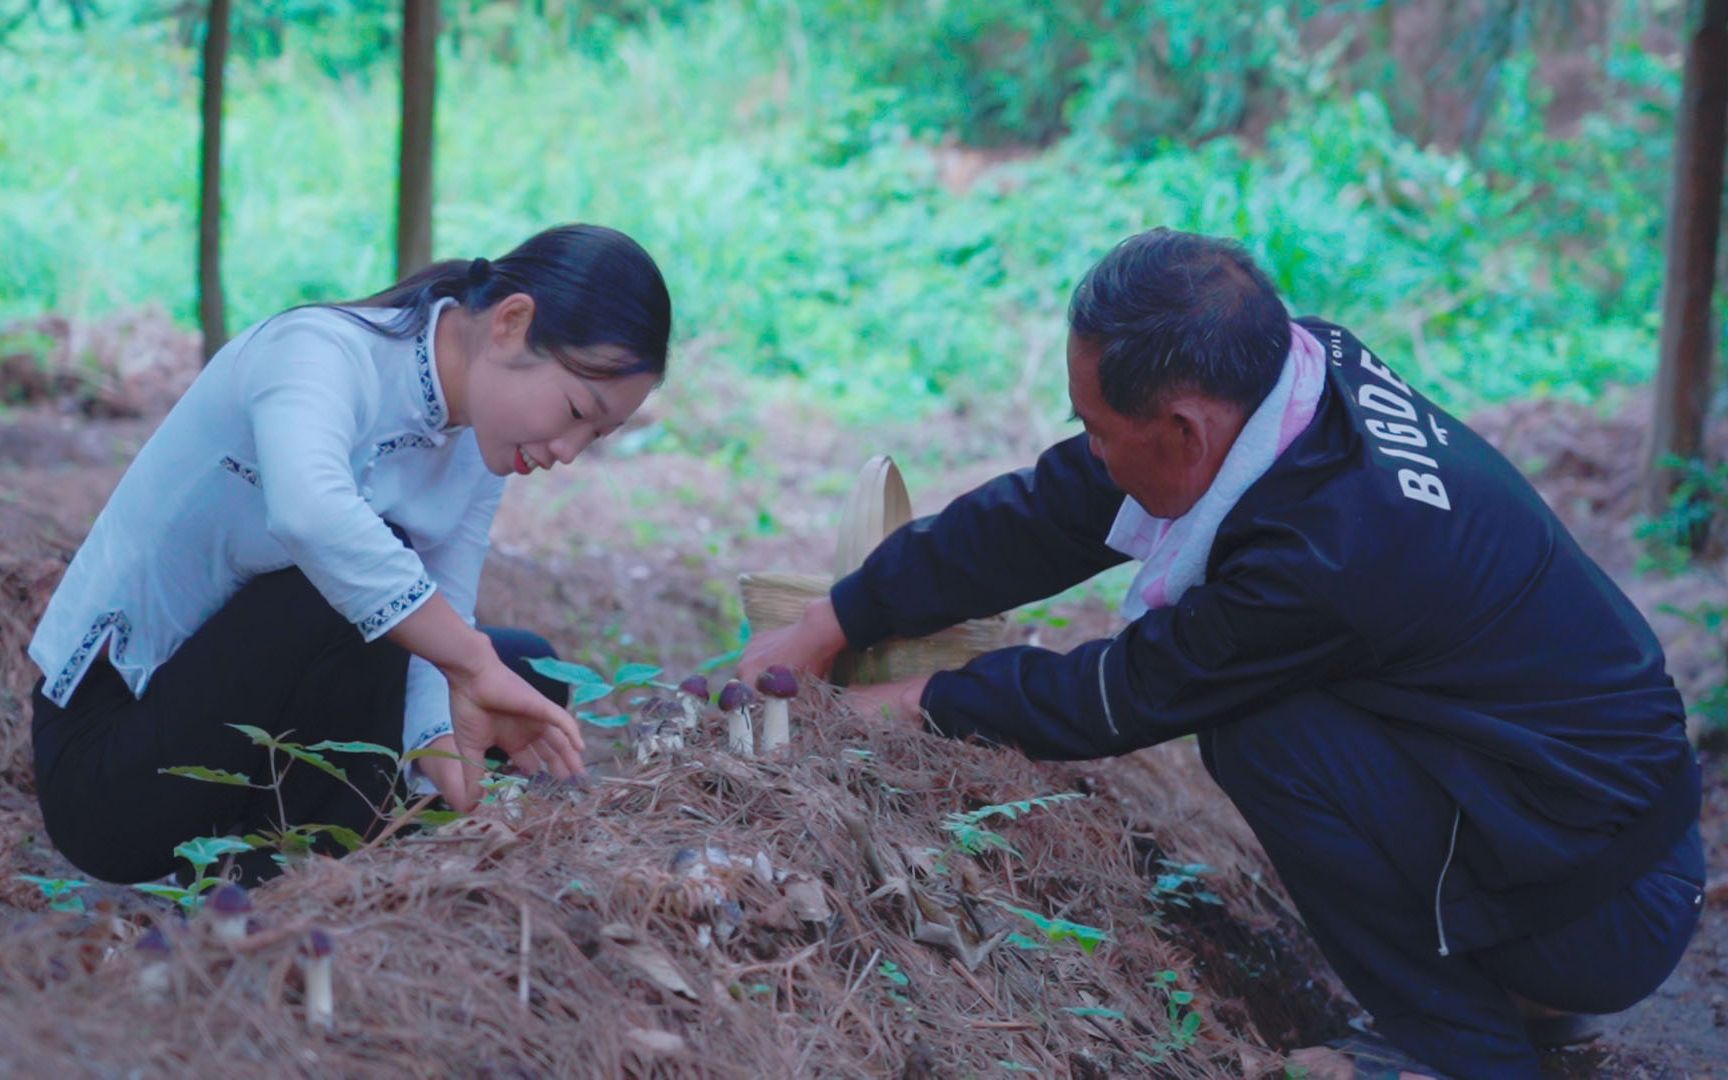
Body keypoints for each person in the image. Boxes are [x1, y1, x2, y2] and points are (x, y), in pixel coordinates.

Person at [741, 228, 1705, 1078]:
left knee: (1262, 733)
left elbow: (1121, 697)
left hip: (1608, 902)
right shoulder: (1288, 381)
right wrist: (836, 617)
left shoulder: (1329, 551)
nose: (1090, 448)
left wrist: (913, 703)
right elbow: (1058, 506)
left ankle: (1464, 1047)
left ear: (1184, 430)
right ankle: (1512, 991)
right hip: (1589, 818)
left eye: (1098, 430)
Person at [30, 223, 671, 885]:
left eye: (597, 434)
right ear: (511, 322)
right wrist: (469, 662)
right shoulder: (317, 352)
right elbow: (312, 517)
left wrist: (445, 750)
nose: (569, 451)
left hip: (252, 719)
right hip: (114, 765)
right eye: (574, 410)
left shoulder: (479, 441)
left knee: (527, 673)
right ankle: (297, 888)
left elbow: (443, 610)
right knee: (360, 590)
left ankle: (364, 834)